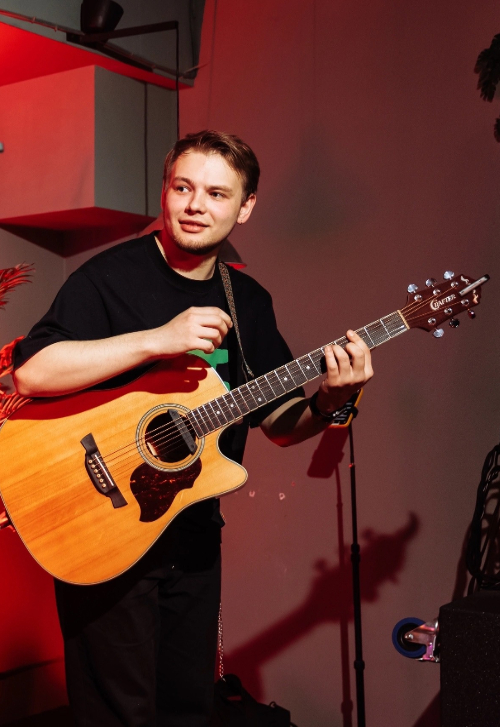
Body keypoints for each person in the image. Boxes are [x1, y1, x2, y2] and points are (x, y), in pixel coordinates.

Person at [13, 130, 373, 727]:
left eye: (216, 193)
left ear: (245, 207)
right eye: (183, 188)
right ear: (165, 191)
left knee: (187, 711)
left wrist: (332, 400)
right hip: (104, 532)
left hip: (194, 538)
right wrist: (158, 339)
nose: (195, 205)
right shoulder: (109, 277)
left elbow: (279, 423)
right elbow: (32, 372)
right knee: (118, 716)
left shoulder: (247, 302)